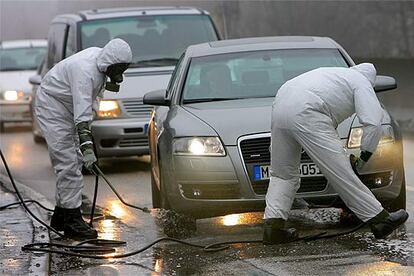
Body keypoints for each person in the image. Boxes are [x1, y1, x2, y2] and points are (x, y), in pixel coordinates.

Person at [263, 63, 409, 244]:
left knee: (282, 175)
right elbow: (372, 123)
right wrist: (364, 156)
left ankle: (273, 229)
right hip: (309, 111)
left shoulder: (334, 76)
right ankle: (380, 220)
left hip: (281, 103)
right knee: (341, 172)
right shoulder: (362, 82)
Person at [35, 39, 132, 239]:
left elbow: (91, 103)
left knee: (74, 161)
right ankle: (72, 221)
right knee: (68, 163)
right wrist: (86, 144)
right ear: (111, 63)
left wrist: (86, 143)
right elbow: (82, 112)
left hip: (64, 107)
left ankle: (62, 215)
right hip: (52, 107)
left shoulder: (100, 63)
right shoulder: (85, 71)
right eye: (118, 69)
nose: (120, 75)